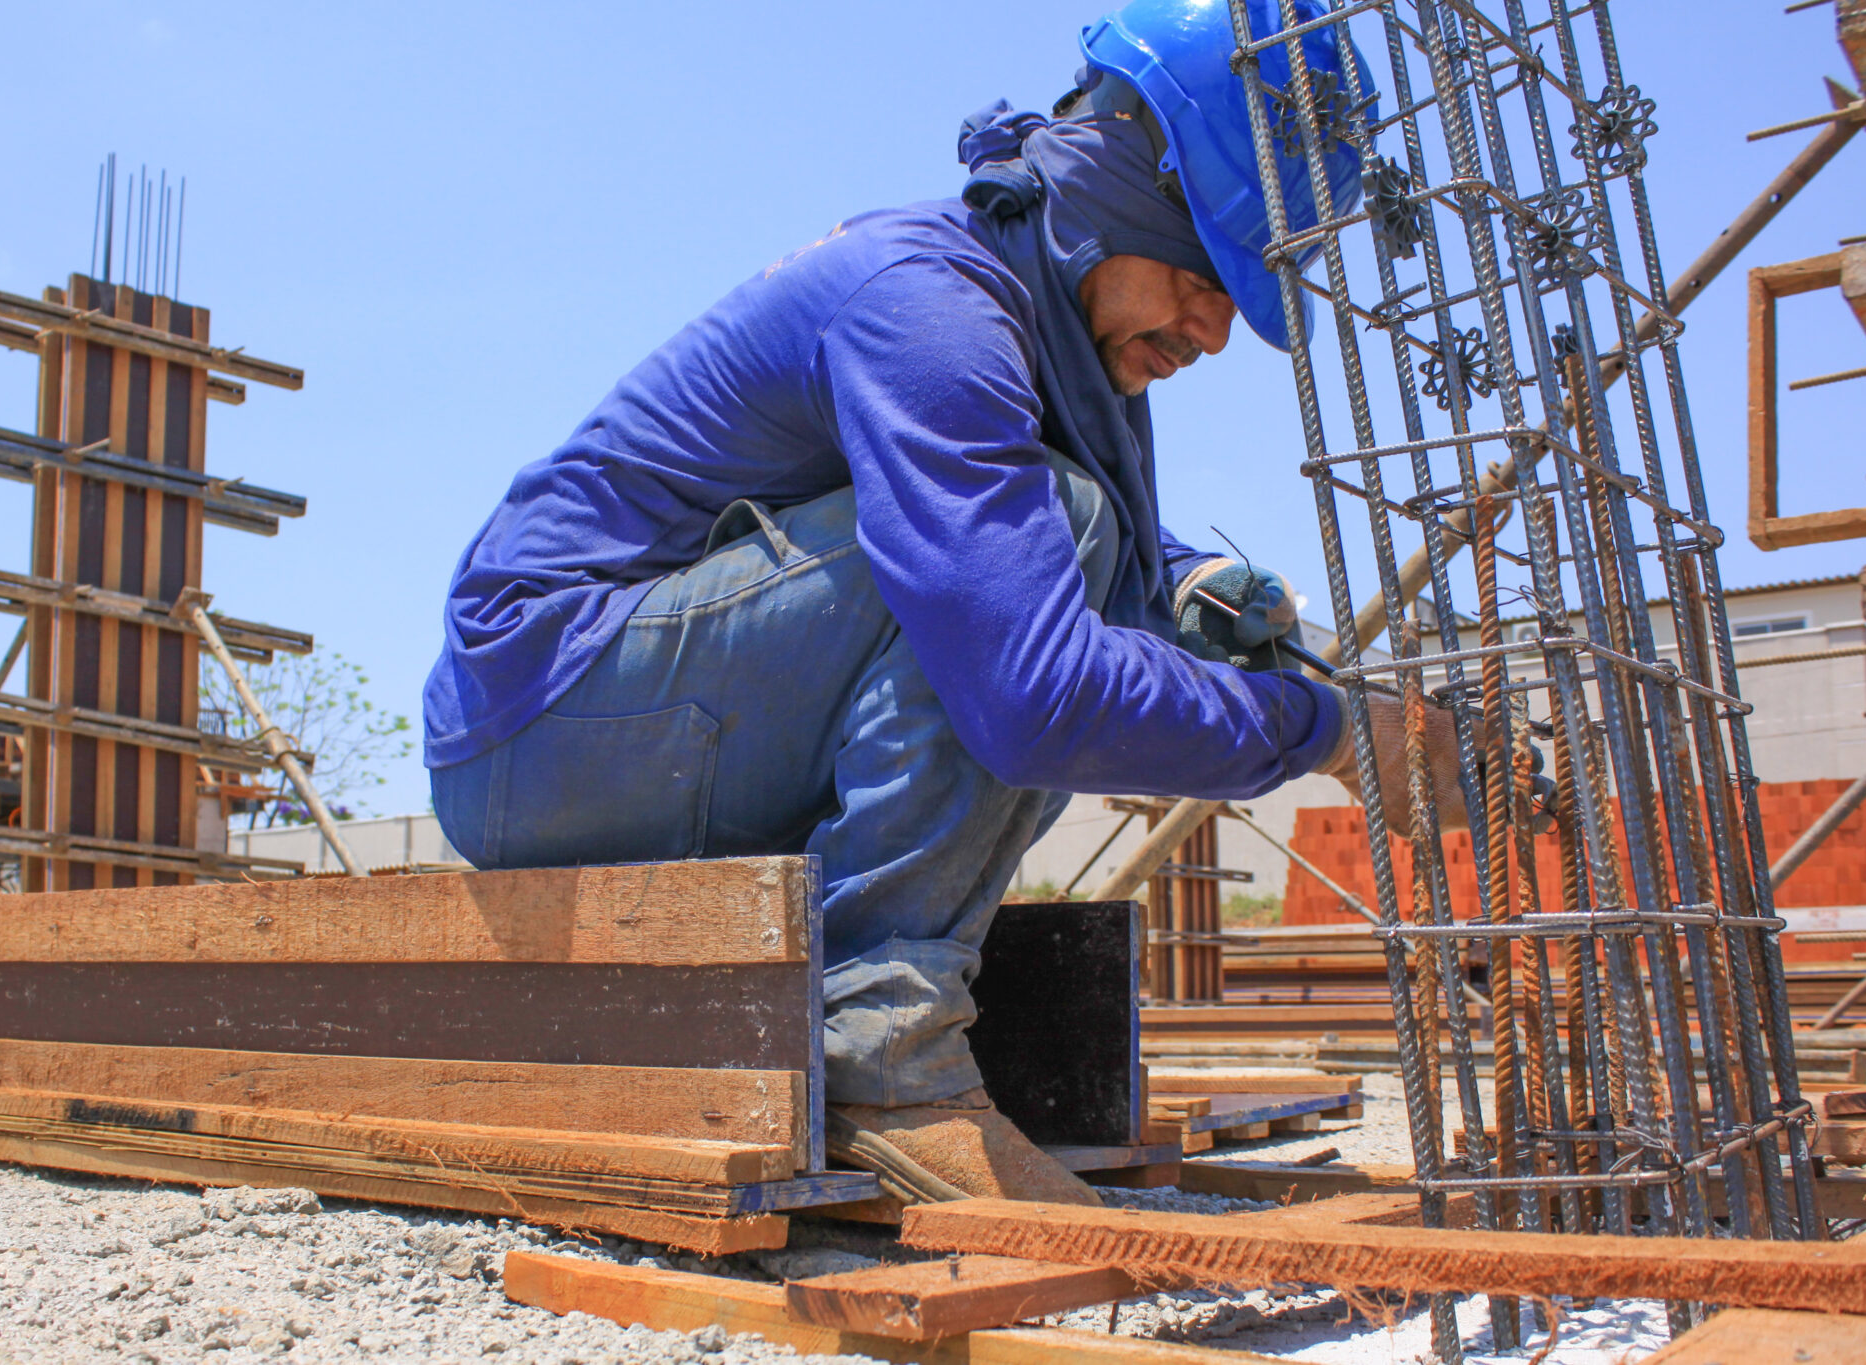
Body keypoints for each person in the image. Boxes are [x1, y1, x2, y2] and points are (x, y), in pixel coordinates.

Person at [423, 0, 1465, 1205]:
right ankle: (879, 1056)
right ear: (1127, 183)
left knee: (1070, 549)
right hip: (540, 723)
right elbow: (1030, 691)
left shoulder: (1034, 314)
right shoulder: (930, 307)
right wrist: (1325, 735)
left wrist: (1174, 579)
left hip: (620, 723)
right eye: (1202, 273)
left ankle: (875, 1026)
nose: (1212, 330)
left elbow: (1020, 531)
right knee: (1046, 566)